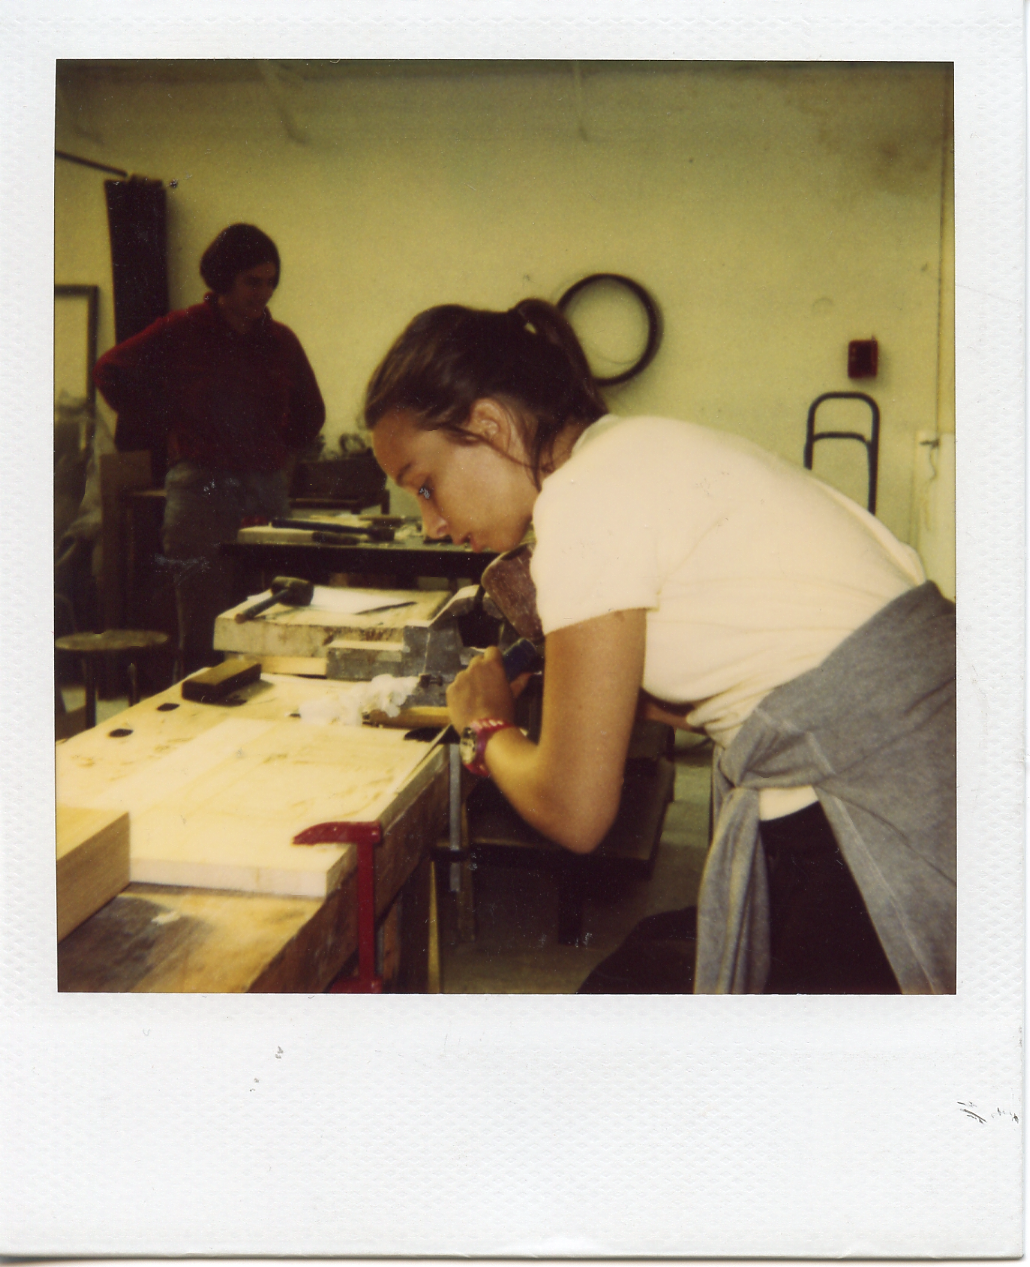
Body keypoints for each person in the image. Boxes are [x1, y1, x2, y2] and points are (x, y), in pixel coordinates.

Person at [364, 299, 956, 996]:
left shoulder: (582, 501)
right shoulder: (634, 448)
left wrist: (486, 727)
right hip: (929, 765)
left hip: (879, 809)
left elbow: (577, 813)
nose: (430, 524)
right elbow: (755, 672)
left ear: (487, 424)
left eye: (425, 485)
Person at [94, 223, 325, 673]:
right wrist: (166, 422)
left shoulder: (281, 341)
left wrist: (275, 449)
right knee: (204, 628)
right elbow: (110, 370)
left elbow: (310, 413)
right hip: (202, 491)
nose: (263, 293)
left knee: (276, 621)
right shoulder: (182, 330)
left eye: (270, 281)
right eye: (251, 282)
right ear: (223, 280)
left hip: (265, 490)